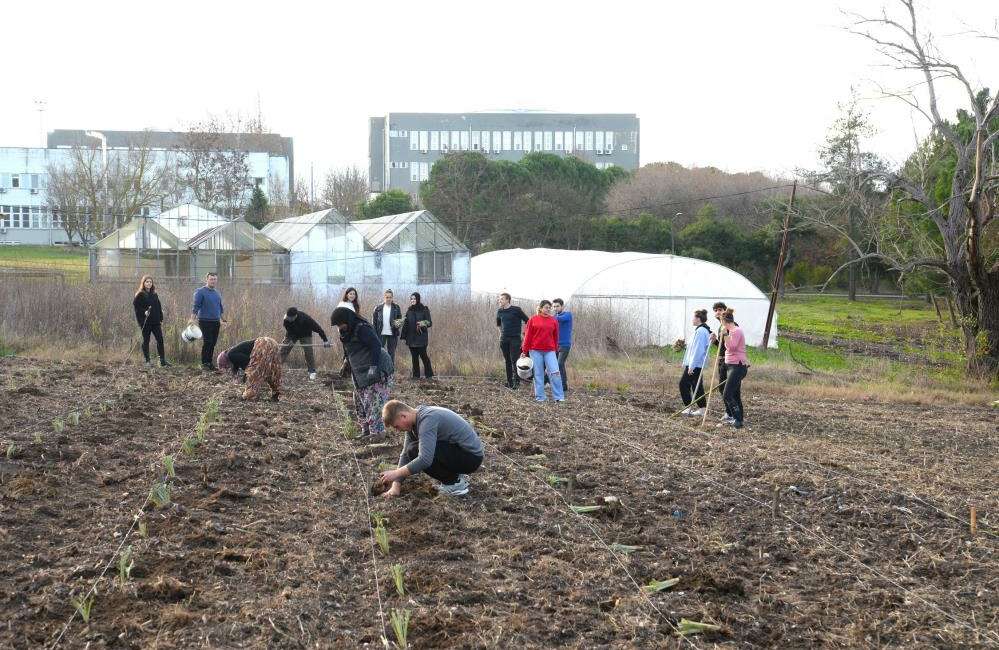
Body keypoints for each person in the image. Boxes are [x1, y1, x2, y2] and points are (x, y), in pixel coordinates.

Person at [378, 400, 484, 498]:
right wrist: (396, 485)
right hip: (462, 453)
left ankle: (454, 483)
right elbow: (405, 454)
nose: (397, 430)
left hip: (472, 458)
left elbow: (425, 459)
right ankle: (455, 476)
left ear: (403, 416)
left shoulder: (427, 420)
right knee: (412, 449)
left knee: (415, 450)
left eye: (396, 426)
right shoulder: (415, 421)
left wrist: (396, 473)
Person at [331, 306, 395, 441]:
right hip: (359, 371)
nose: (339, 327)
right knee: (360, 401)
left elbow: (376, 346)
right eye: (337, 325)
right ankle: (366, 430)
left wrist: (373, 368)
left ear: (347, 320)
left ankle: (378, 433)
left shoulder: (361, 328)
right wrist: (346, 364)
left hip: (378, 367)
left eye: (340, 323)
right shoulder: (345, 332)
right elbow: (349, 351)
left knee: (373, 401)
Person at [521, 300, 564, 403]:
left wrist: (555, 348)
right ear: (540, 308)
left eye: (549, 307)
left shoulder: (553, 320)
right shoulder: (533, 319)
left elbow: (556, 336)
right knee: (538, 374)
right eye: (546, 307)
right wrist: (524, 350)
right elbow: (528, 336)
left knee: (555, 372)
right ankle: (540, 397)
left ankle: (559, 397)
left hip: (549, 350)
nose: (548, 309)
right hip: (535, 350)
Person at [217, 337, 282, 401]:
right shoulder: (234, 352)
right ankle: (276, 393)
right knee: (273, 371)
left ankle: (249, 396)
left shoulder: (231, 355)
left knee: (254, 372)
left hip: (262, 345)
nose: (227, 367)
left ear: (225, 361)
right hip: (273, 343)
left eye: (225, 366)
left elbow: (249, 363)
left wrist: (246, 375)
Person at [280, 307, 330, 381]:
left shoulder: (305, 319)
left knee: (308, 352)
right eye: (288, 317)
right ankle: (276, 367)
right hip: (292, 334)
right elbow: (289, 330)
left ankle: (312, 371)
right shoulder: (286, 319)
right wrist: (290, 339)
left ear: (295, 316)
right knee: (284, 349)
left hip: (305, 334)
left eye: (291, 318)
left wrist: (325, 340)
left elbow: (318, 328)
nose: (289, 319)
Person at [190, 272, 227, 371]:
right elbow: (196, 306)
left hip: (216, 322)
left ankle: (209, 363)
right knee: (208, 342)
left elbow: (219, 308)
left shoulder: (217, 293)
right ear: (206, 279)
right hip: (204, 321)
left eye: (215, 279)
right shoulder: (200, 291)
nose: (213, 281)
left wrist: (223, 320)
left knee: (213, 343)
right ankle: (204, 363)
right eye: (211, 279)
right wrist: (192, 319)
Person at [132, 275, 170, 368]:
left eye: (150, 282)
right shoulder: (140, 294)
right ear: (143, 283)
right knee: (146, 340)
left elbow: (158, 307)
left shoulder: (154, 294)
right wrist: (144, 312)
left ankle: (162, 360)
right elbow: (136, 307)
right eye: (147, 282)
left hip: (155, 322)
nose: (149, 283)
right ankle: (147, 361)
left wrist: (160, 318)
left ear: (152, 284)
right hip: (145, 322)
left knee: (160, 339)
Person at [679, 309, 711, 416]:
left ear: (698, 318)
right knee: (696, 385)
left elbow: (698, 349)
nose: (692, 320)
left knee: (683, 384)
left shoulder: (701, 331)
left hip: (695, 364)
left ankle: (689, 408)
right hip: (695, 363)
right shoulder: (700, 330)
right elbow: (693, 348)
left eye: (693, 317)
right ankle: (702, 409)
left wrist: (692, 365)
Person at [721, 308, 748, 429]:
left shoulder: (736, 331)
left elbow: (731, 347)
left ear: (724, 321)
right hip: (731, 366)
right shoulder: (731, 331)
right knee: (735, 394)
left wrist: (725, 334)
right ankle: (739, 419)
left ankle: (736, 418)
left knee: (727, 394)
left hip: (737, 366)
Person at [709, 301, 735, 421]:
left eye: (720, 309)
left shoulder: (730, 326)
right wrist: (715, 340)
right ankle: (729, 412)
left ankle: (732, 414)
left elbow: (731, 345)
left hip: (729, 361)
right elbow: (722, 346)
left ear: (725, 311)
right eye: (715, 310)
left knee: (727, 389)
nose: (717, 312)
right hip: (722, 360)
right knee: (722, 387)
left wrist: (724, 334)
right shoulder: (721, 326)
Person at [496, 293, 529, 389]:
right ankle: (509, 382)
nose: (500, 301)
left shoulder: (516, 310)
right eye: (499, 299)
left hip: (515, 338)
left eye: (502, 299)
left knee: (515, 360)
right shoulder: (499, 311)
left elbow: (528, 321)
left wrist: (524, 333)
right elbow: (498, 324)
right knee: (507, 361)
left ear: (507, 300)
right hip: (504, 339)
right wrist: (500, 334)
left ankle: (516, 382)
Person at [400, 292, 433, 380]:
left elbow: (429, 322)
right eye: (411, 299)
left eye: (414, 299)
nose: (413, 300)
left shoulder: (424, 309)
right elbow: (406, 324)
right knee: (414, 358)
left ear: (418, 299)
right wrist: (403, 335)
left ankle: (429, 375)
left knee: (424, 356)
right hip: (411, 338)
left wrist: (422, 323)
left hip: (421, 338)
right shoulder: (409, 311)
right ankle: (416, 376)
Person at [371, 289, 402, 363]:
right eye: (387, 297)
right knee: (379, 352)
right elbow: (374, 322)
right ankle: (380, 371)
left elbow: (399, 320)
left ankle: (390, 373)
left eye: (390, 297)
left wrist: (398, 324)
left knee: (391, 354)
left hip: (392, 333)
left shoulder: (396, 308)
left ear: (392, 298)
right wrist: (374, 334)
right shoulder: (378, 308)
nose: (388, 299)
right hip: (380, 334)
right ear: (384, 298)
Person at [552, 298, 573, 394]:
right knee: (553, 365)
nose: (555, 308)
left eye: (557, 306)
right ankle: (551, 382)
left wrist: (547, 316)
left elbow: (560, 319)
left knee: (560, 363)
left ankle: (564, 385)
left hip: (565, 345)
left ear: (562, 306)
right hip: (555, 345)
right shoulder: (553, 317)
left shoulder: (567, 315)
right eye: (554, 306)